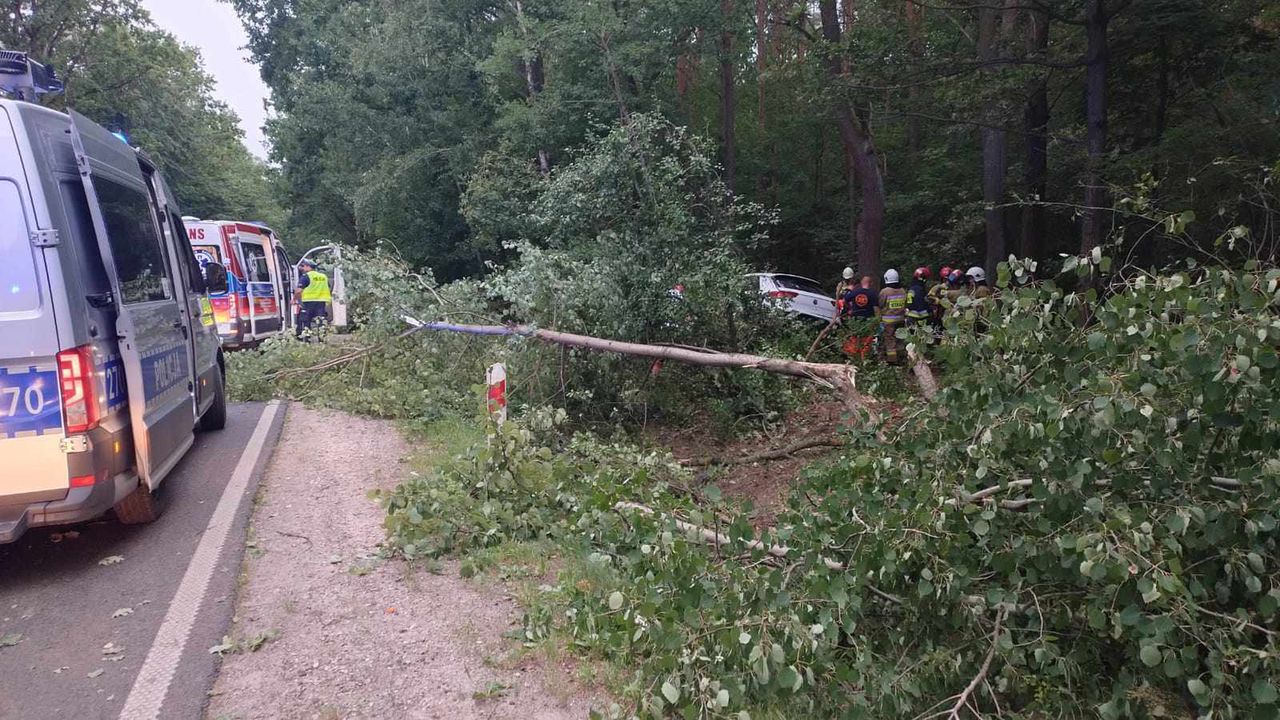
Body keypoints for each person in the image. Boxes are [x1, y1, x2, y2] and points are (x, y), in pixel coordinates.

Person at [840, 276, 877, 360]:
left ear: (861, 283)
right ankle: (864, 359)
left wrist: (849, 310)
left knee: (854, 338)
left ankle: (853, 357)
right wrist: (876, 320)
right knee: (866, 340)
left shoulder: (855, 292)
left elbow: (844, 301)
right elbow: (876, 308)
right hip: (867, 321)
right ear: (870, 283)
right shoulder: (873, 294)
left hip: (855, 320)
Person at [294, 258, 331, 338]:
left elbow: (298, 291)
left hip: (308, 302)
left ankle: (307, 340)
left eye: (304, 266)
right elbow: (328, 287)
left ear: (308, 267)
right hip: (321, 302)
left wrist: (294, 299)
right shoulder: (323, 276)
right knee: (321, 322)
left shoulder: (306, 276)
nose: (303, 268)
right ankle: (322, 340)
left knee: (306, 321)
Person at [877, 268, 907, 363]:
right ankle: (902, 359)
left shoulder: (885, 292)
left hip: (888, 321)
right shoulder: (903, 291)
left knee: (890, 341)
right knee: (900, 340)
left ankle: (892, 361)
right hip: (901, 319)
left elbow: (880, 304)